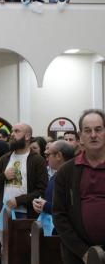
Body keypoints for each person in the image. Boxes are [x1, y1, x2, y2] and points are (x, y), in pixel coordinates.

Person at [53, 109, 105, 264]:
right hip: (77, 255)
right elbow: (59, 216)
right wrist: (83, 252)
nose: (93, 135)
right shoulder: (66, 171)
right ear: (80, 137)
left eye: (98, 129)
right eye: (87, 131)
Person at [0, 123, 47, 219]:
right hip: (5, 211)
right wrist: (3, 176)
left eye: (17, 131)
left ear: (27, 136)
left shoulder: (37, 160)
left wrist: (18, 201)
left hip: (27, 214)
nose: (12, 134)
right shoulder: (5, 158)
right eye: (12, 131)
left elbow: (41, 190)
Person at [32, 140, 74, 217]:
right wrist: (39, 203)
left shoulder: (71, 178)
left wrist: (45, 206)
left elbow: (71, 209)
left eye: (48, 155)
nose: (46, 159)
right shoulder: (57, 175)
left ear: (58, 156)